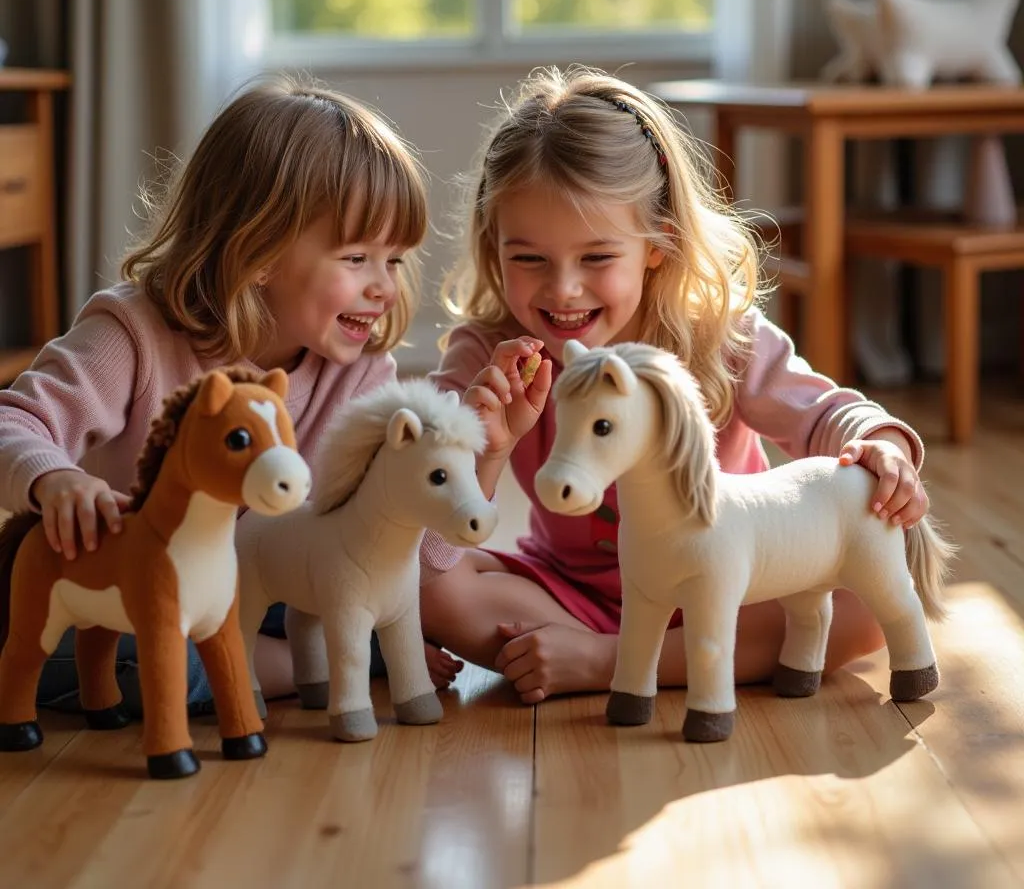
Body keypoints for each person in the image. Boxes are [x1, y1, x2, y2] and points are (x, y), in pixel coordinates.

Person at [420, 66, 930, 705]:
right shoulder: (484, 357)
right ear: (494, 248)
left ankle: (619, 664)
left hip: (737, 582)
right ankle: (627, 654)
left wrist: (881, 445)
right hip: (569, 595)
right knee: (428, 588)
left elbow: (826, 414)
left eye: (597, 257)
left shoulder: (720, 336)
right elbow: (424, 537)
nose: (563, 289)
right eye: (529, 259)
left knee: (864, 593)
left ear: (657, 242)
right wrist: (486, 450)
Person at [0, 75, 462, 717]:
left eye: (395, 260)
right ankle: (306, 664)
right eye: (357, 258)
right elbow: (13, 421)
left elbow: (408, 553)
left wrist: (488, 450)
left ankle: (299, 656)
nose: (384, 287)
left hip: (261, 594)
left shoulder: (361, 375)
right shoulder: (134, 333)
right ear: (261, 250)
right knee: (142, 659)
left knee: (405, 599)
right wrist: (54, 480)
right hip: (128, 597)